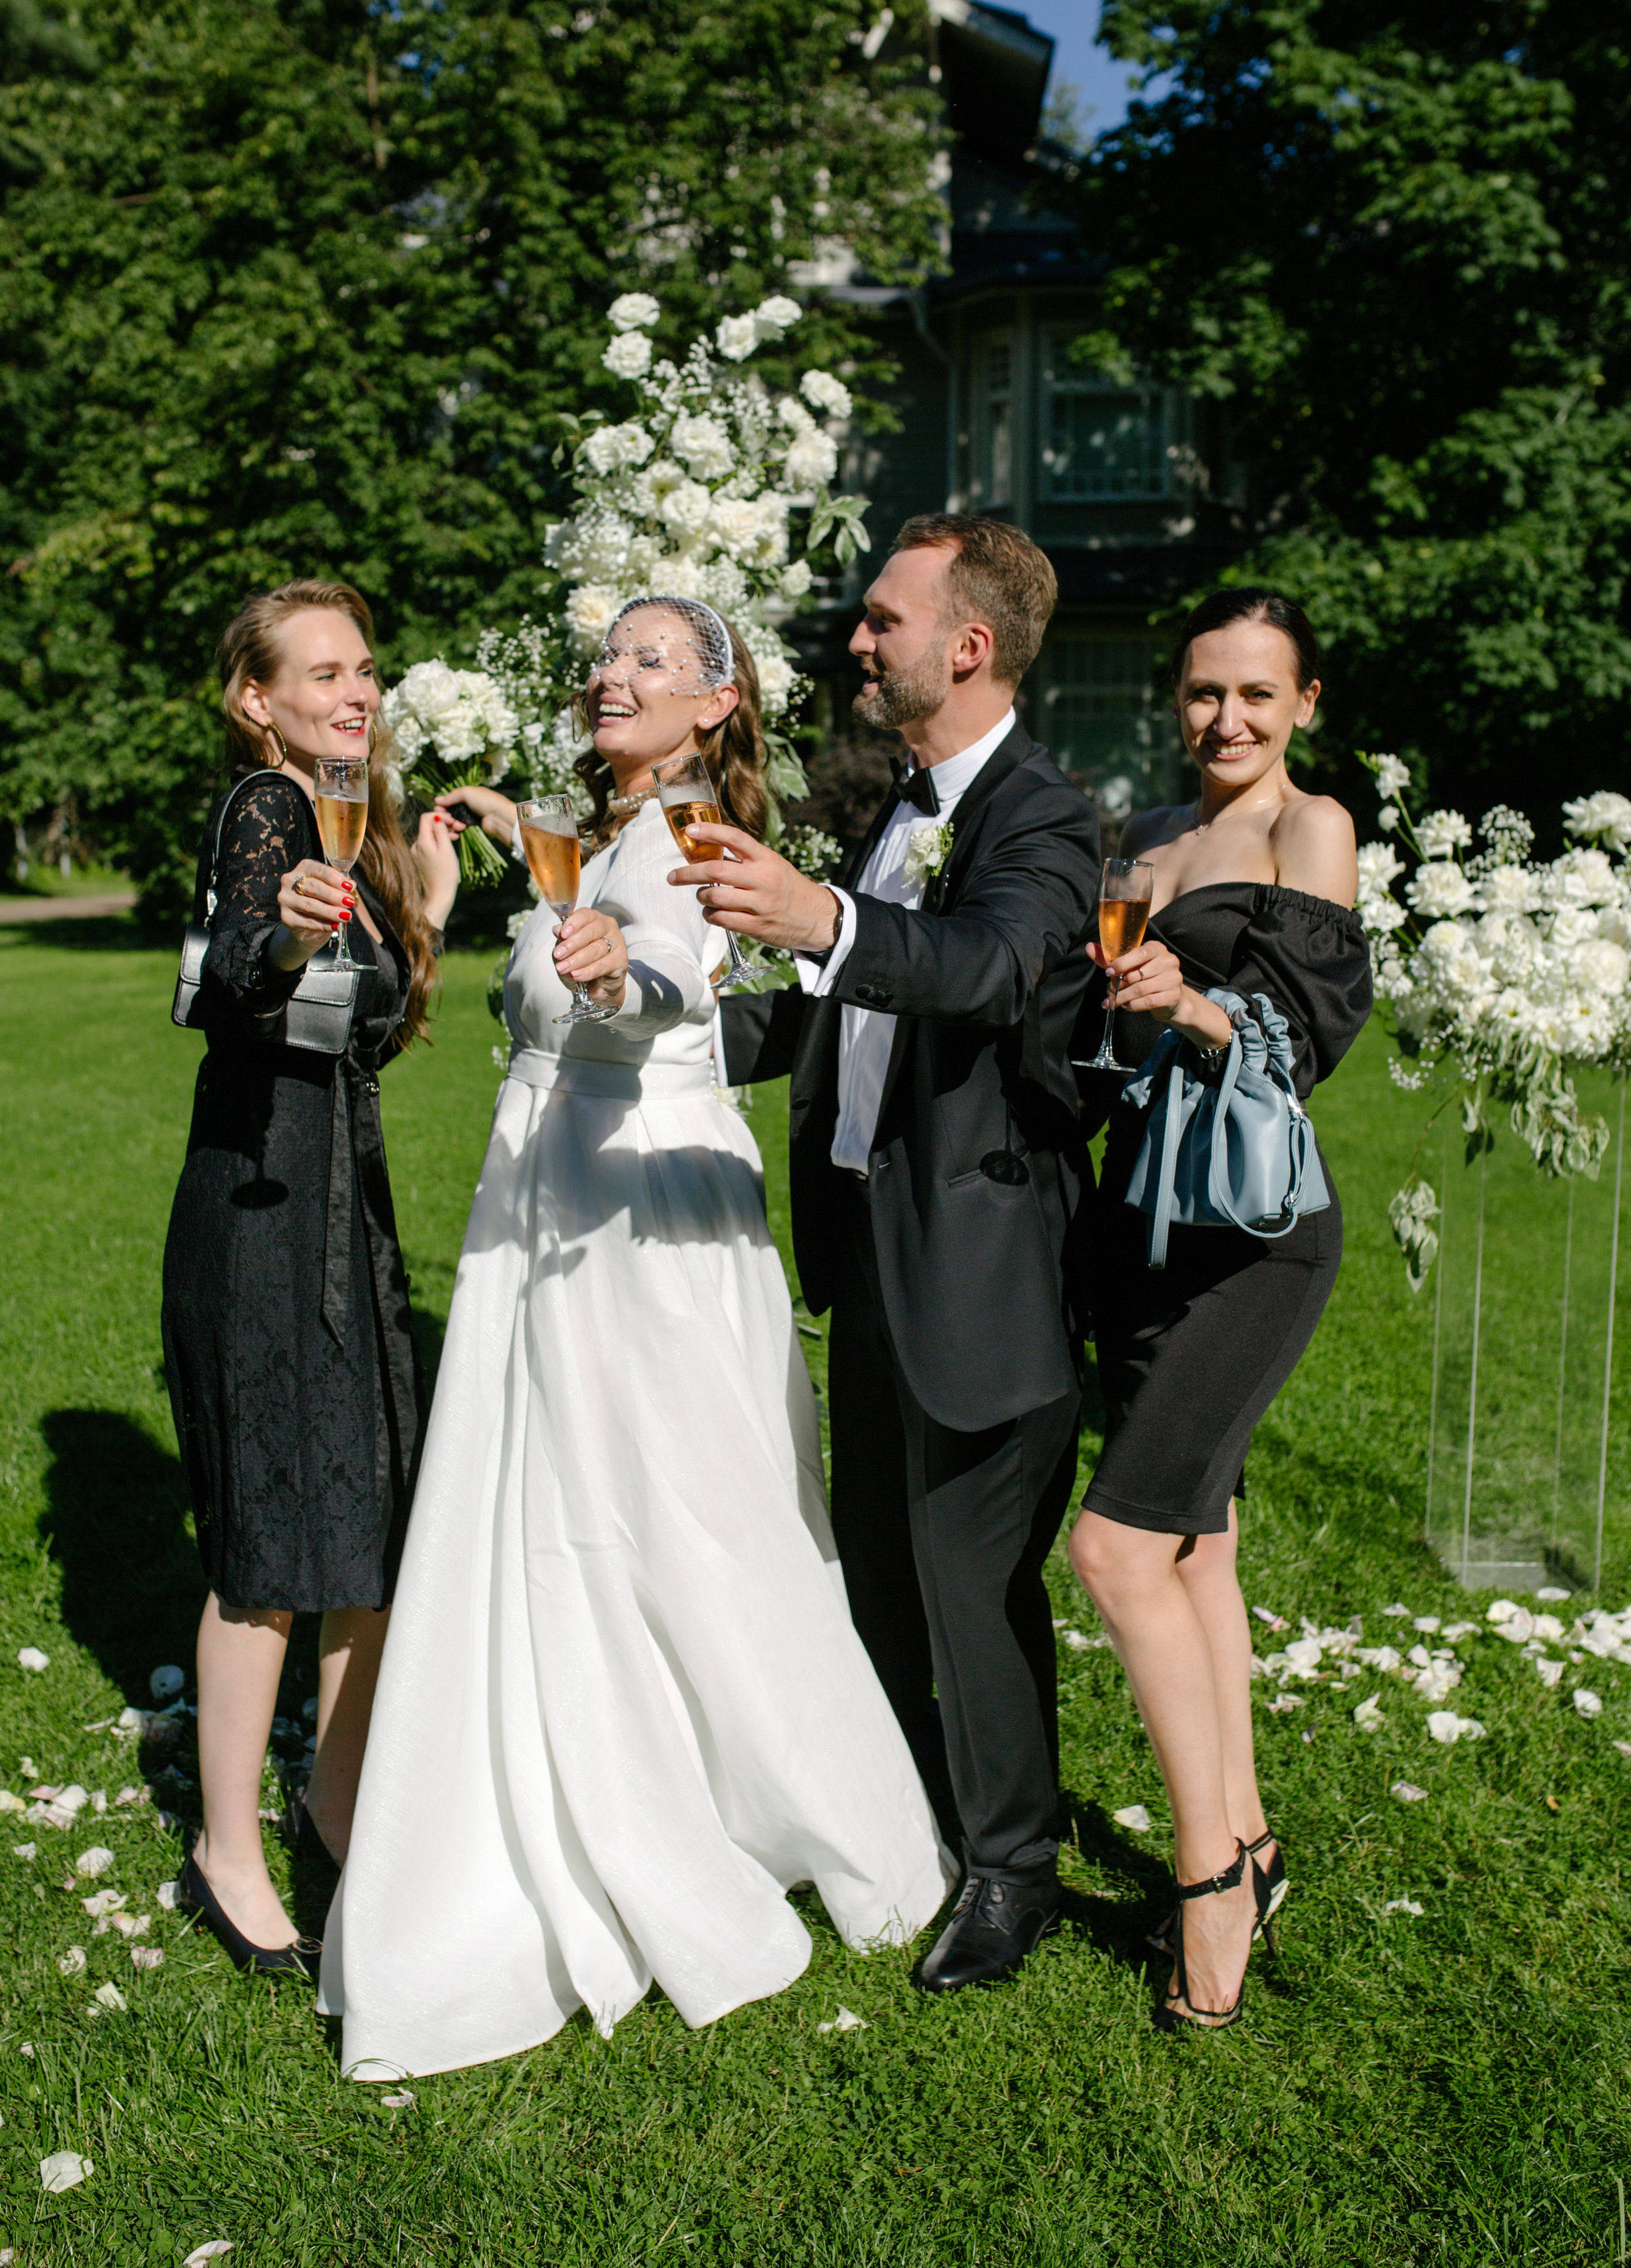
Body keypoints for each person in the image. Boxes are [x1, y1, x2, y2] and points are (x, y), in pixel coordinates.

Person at [320, 595, 949, 2079]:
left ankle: (716, 1803)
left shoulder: (682, 848)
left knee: (670, 1521)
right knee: (603, 1512)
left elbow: (667, 975)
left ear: (718, 708)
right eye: (608, 652)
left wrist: (617, 982)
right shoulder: (614, 830)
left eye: (654, 660)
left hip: (633, 1224)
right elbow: (602, 899)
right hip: (567, 1212)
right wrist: (518, 830)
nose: (614, 671)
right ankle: (670, 1775)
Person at [681, 515, 1102, 1994]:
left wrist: (818, 916)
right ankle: (903, 1808)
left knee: (967, 1576)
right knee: (872, 1563)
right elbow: (837, 1010)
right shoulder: (901, 805)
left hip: (980, 1264)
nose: (859, 641)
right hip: (866, 1247)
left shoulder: (1042, 816)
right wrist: (661, 1040)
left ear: (966, 646)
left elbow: (983, 970)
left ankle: (1011, 1872)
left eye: (882, 620)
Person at [1066, 587, 1371, 2031]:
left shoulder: (1305, 831)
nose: (1227, 720)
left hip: (1254, 1233)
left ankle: (1205, 1882)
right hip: (1141, 1225)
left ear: (1303, 705)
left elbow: (1307, 1037)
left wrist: (1192, 1005)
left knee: (1118, 1551)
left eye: (1257, 695)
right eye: (1202, 693)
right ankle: (1245, 1832)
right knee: (1195, 1555)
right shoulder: (1143, 843)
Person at [162, 578, 462, 1974]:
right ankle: (226, 1851)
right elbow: (225, 979)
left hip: (344, 1214)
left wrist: (429, 917)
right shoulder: (265, 812)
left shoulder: (362, 828)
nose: (352, 691)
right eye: (321, 672)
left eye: (364, 671)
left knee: (363, 1527)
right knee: (272, 1544)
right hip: (262, 1212)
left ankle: (334, 1802)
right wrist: (277, 933)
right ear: (256, 700)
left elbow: (367, 1036)